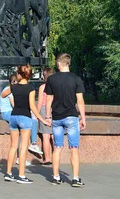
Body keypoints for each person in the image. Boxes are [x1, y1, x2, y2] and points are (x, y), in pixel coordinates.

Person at [1, 65, 50, 184]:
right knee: (23, 147)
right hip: (25, 118)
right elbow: (32, 107)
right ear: (29, 75)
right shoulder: (30, 88)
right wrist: (43, 120)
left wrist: (12, 87)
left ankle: (8, 173)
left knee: (13, 146)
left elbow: (3, 95)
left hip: (13, 117)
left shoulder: (13, 87)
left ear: (19, 74)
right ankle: (21, 176)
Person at [45, 53, 86, 187]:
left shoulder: (52, 79)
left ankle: (56, 178)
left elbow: (48, 100)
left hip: (56, 117)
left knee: (57, 148)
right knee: (74, 148)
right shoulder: (76, 79)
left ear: (58, 64)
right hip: (71, 117)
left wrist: (47, 116)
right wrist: (83, 118)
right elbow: (80, 101)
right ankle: (75, 178)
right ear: (68, 63)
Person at [37, 67, 54, 165]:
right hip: (54, 109)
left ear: (44, 76)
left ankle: (47, 159)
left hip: (44, 110)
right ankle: (56, 157)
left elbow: (39, 103)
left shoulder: (43, 87)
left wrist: (36, 114)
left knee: (46, 136)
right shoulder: (56, 86)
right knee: (54, 136)